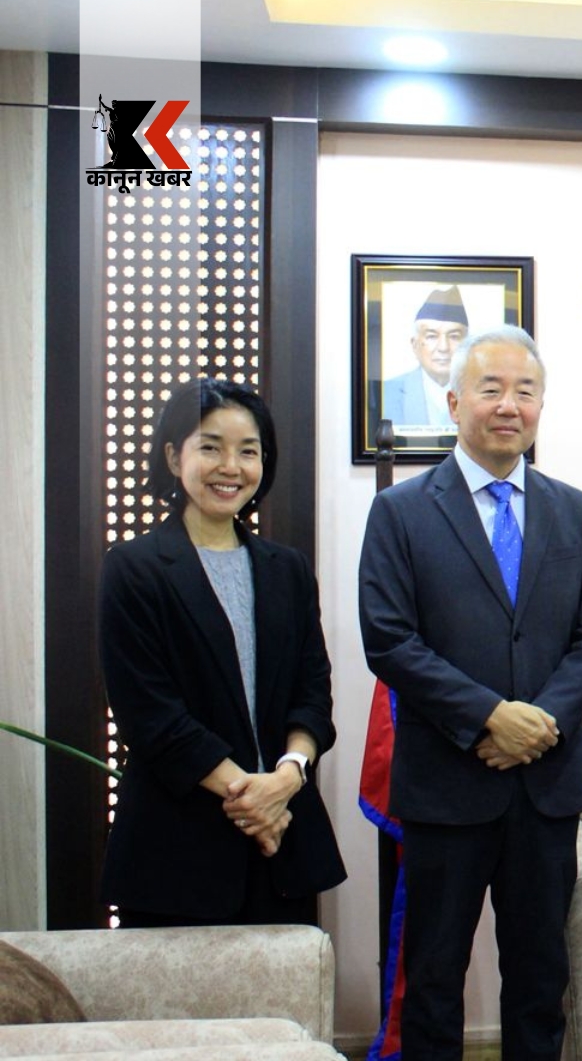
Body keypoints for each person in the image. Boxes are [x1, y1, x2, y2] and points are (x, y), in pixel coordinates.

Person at [358, 326, 582, 1061]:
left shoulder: (573, 509)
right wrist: (488, 718)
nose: (509, 405)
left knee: (540, 978)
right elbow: (389, 639)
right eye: (491, 389)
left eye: (525, 391)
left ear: (540, 406)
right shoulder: (402, 512)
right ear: (453, 403)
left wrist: (541, 724)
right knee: (433, 976)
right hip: (446, 782)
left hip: (545, 784)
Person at [98, 377, 346, 927]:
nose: (230, 467)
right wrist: (254, 802)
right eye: (211, 447)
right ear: (173, 456)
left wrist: (288, 777)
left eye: (248, 451)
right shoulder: (134, 569)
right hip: (177, 851)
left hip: (283, 844)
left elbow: (312, 693)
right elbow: (150, 715)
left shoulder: (287, 569)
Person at [381, 286, 468, 430]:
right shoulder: (385, 394)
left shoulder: (483, 392)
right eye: (432, 336)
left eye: (454, 336)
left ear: (467, 345)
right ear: (415, 345)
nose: (443, 347)